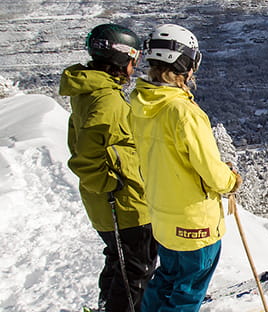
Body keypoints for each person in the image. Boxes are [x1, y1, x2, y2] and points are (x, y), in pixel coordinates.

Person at [129, 24, 243, 312]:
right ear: (187, 66)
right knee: (187, 291)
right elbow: (212, 173)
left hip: (163, 217)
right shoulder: (184, 112)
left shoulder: (140, 103)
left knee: (166, 277)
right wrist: (231, 180)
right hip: (195, 224)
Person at [59, 23, 158, 312]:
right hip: (123, 204)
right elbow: (86, 157)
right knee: (137, 267)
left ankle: (108, 304)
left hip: (107, 202)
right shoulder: (107, 102)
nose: (134, 67)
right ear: (121, 59)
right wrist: (109, 184)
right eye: (133, 59)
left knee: (120, 260)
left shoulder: (91, 92)